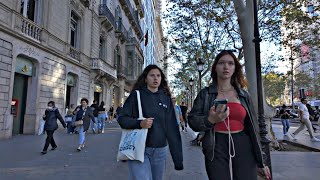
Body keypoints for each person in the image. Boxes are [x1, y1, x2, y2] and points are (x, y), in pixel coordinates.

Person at [188, 50, 271, 180]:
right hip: (215, 145)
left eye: (230, 63)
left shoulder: (244, 95)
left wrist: (261, 162)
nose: (226, 67)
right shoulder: (205, 94)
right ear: (215, 67)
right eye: (221, 63)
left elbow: (254, 129)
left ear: (235, 68)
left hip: (243, 143)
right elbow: (192, 121)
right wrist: (210, 120)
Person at [118, 64, 183, 180]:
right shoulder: (136, 95)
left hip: (160, 150)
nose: (155, 78)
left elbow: (172, 129)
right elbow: (122, 119)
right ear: (145, 78)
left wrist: (178, 159)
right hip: (138, 148)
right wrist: (140, 123)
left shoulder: (166, 98)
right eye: (152, 75)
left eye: (158, 76)